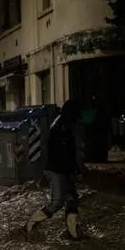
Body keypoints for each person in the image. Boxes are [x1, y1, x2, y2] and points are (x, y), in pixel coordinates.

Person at [25, 99, 85, 240]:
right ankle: (29, 225)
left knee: (72, 199)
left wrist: (75, 169)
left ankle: (73, 232)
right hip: (57, 170)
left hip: (64, 170)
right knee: (57, 202)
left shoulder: (64, 124)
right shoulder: (61, 126)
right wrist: (76, 168)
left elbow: (69, 152)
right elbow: (64, 152)